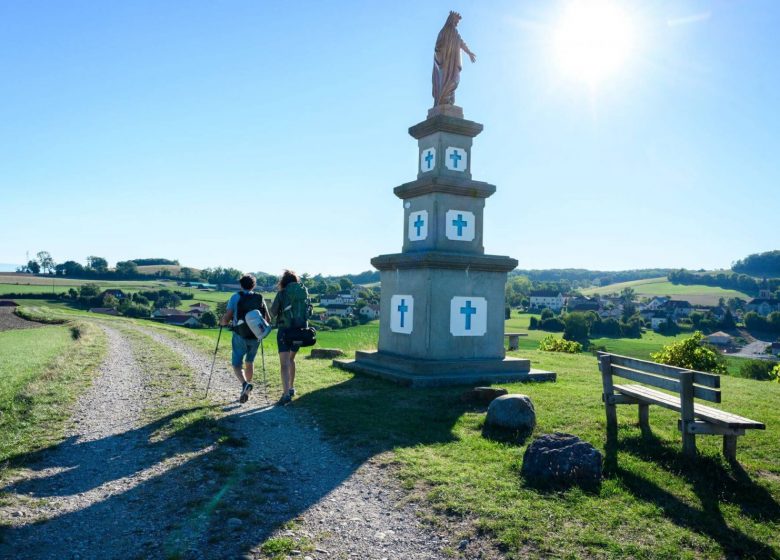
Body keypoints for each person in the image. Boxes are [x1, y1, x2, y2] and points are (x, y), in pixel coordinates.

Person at [220, 274, 270, 403]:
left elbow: (228, 316)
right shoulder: (260, 297)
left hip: (240, 334)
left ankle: (244, 384)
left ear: (240, 285)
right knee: (250, 362)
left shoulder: (235, 297)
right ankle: (247, 385)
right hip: (256, 336)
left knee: (237, 364)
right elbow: (268, 319)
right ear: (254, 285)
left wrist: (223, 322)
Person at [270, 270, 307, 405]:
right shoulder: (303, 293)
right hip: (299, 330)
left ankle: (286, 395)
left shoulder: (281, 294)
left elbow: (273, 312)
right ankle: (291, 388)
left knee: (284, 364)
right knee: (291, 359)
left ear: (283, 281)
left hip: (285, 331)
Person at [432, 11, 477, 107]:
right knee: (444, 81)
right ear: (451, 20)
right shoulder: (443, 32)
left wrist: (469, 53)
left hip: (453, 63)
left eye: (457, 22)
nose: (457, 24)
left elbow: (461, 43)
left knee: (455, 80)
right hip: (445, 63)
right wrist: (442, 52)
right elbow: (437, 48)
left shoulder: (455, 33)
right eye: (456, 21)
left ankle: (447, 99)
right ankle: (443, 100)